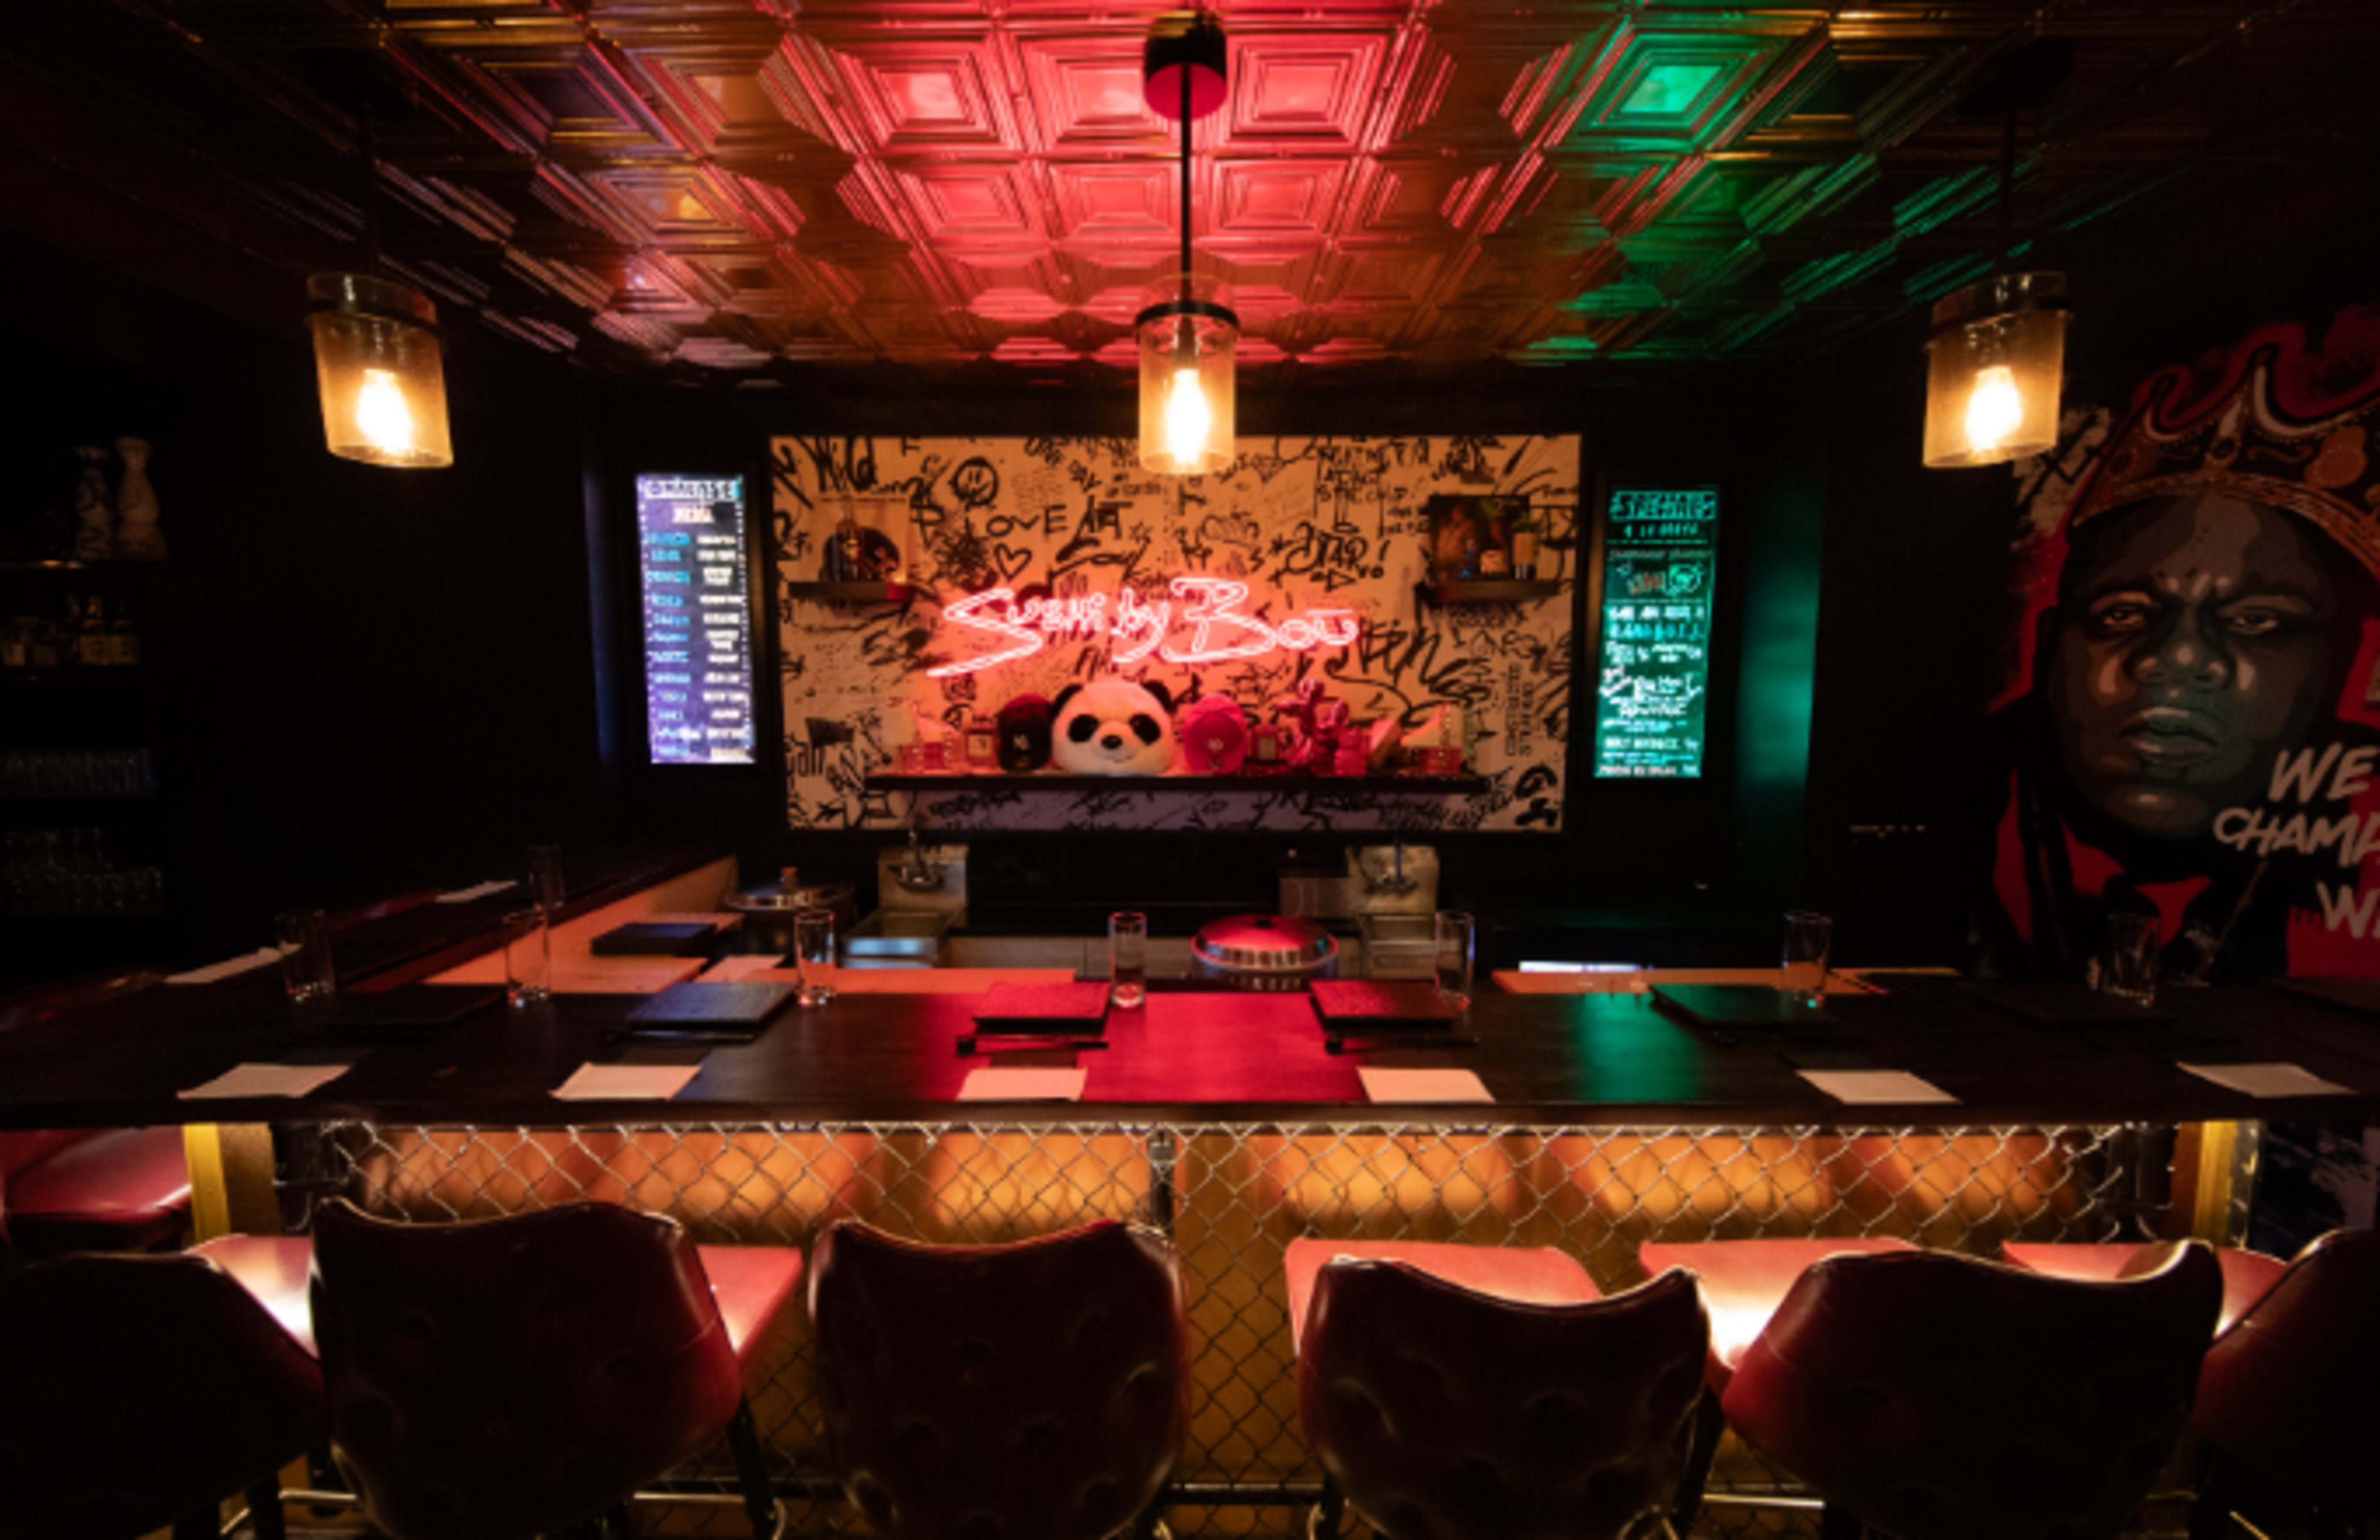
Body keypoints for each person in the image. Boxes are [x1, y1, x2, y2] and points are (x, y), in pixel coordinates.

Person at [1973, 318, 2380, 980]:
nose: (2179, 659)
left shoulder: (2356, 817)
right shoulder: (1981, 804)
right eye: (2125, 613)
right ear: (2050, 650)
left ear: (2339, 669)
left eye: (2255, 621)